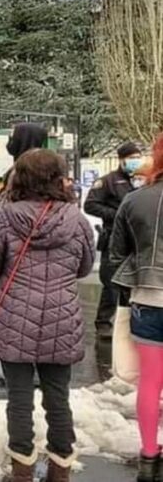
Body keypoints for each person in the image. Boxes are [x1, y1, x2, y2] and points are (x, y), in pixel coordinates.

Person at [0, 149, 95, 482]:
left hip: (14, 318)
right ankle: (61, 469)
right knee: (58, 397)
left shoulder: (5, 218)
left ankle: (23, 471)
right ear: (59, 178)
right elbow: (84, 267)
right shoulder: (77, 220)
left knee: (19, 397)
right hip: (62, 319)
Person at [110, 134, 163, 482]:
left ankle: (148, 453)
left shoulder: (134, 200)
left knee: (151, 381)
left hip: (148, 299)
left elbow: (117, 253)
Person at [84, 142, 143, 338]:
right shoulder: (108, 181)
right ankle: (104, 322)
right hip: (113, 237)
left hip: (137, 238)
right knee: (111, 283)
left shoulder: (142, 179)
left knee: (135, 282)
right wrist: (117, 214)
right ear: (122, 159)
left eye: (138, 157)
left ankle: (130, 321)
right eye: (131, 158)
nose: (135, 161)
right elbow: (90, 205)